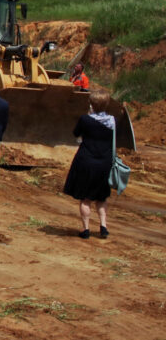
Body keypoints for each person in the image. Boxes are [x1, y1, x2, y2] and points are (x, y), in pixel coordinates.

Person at [63, 91, 116, 239]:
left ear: (92, 105)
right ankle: (103, 226)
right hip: (105, 161)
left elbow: (76, 133)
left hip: (87, 160)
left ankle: (86, 229)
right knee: (102, 197)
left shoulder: (85, 119)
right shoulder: (112, 120)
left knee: (86, 198)